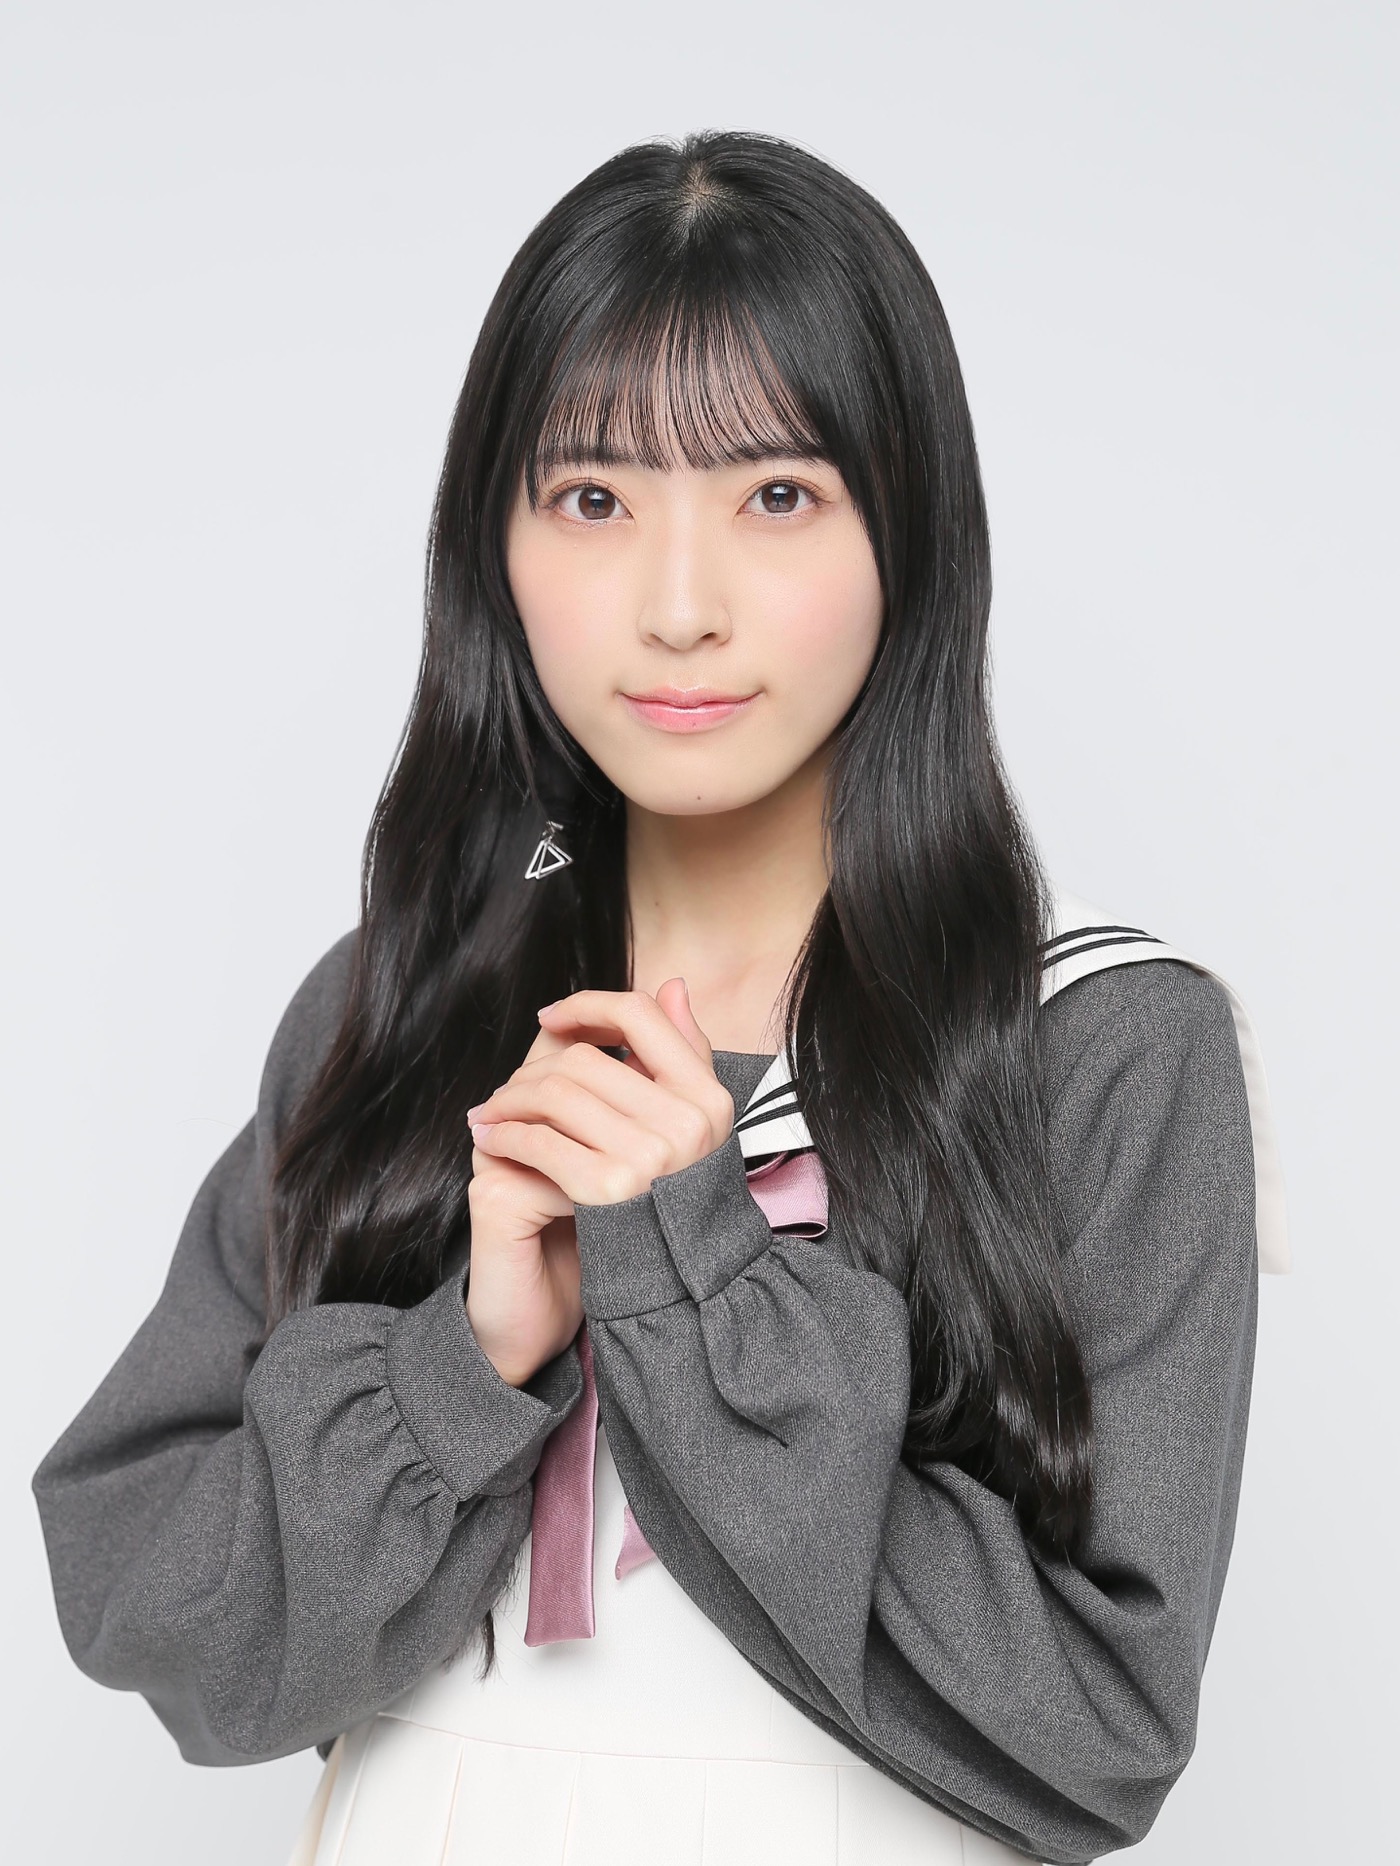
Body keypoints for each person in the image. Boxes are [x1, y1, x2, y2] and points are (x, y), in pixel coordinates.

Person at [32, 131, 1284, 1866]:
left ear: (911, 535)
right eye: (594, 500)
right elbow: (157, 1619)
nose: (679, 608)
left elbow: (1101, 1735)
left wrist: (693, 1266)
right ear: (496, 544)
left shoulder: (1105, 1048)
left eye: (777, 497)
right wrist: (468, 1360)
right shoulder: (394, 1011)